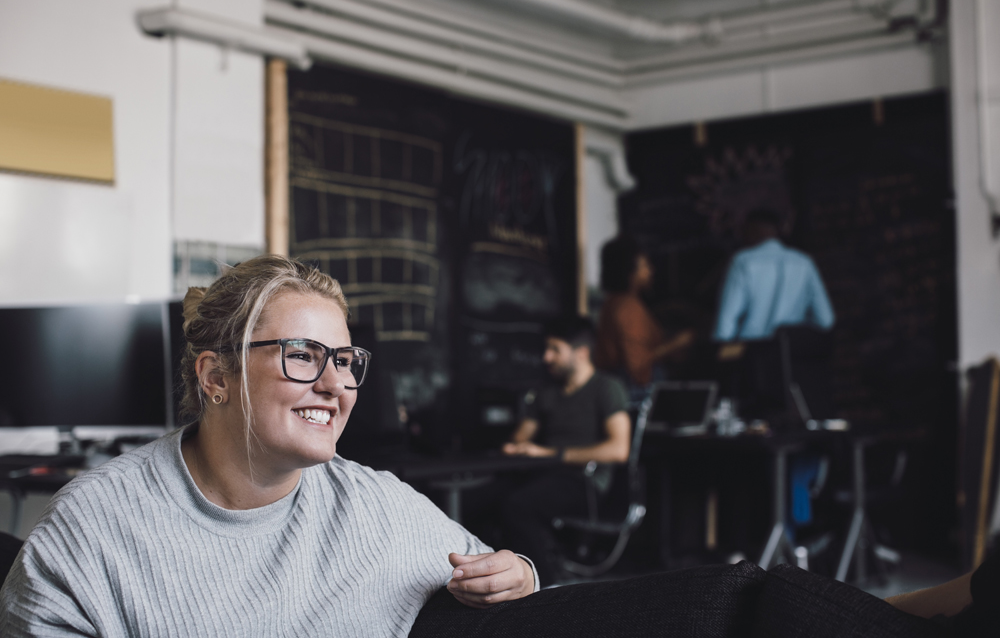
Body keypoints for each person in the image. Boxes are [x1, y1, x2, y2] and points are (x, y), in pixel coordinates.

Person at [0, 255, 536, 637]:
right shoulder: (92, 527)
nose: (335, 385)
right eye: (302, 355)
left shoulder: (376, 507)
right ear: (216, 376)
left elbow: (498, 572)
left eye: (345, 361)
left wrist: (521, 574)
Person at [501, 316, 630, 584]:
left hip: (585, 482)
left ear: (581, 353)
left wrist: (551, 454)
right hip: (542, 475)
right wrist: (516, 447)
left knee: (519, 506)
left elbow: (619, 449)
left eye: (555, 350)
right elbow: (522, 436)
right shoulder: (546, 392)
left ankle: (548, 585)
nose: (547, 357)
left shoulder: (607, 388)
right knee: (484, 499)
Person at [595, 235, 695, 410]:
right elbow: (637, 366)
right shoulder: (628, 308)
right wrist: (677, 343)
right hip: (635, 394)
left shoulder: (612, 303)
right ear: (629, 273)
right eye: (645, 266)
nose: (651, 271)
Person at [714, 207, 834, 342]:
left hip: (753, 352)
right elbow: (825, 320)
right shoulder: (804, 263)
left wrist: (720, 354)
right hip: (791, 352)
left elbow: (727, 320)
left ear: (752, 230)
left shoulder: (743, 262)